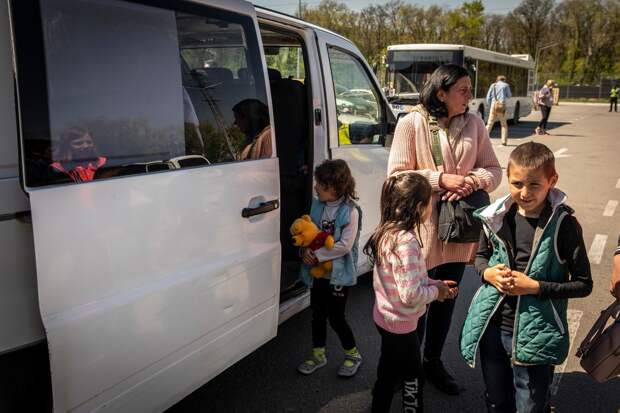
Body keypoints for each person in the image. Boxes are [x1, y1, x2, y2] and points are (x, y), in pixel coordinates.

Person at [387, 63, 502, 395]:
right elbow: (395, 178)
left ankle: (432, 362)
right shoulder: (411, 123)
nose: (470, 96)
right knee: (415, 304)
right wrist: (439, 180)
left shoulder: (475, 122)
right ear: (441, 93)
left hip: (459, 232)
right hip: (419, 232)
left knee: (446, 299)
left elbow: (494, 169)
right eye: (463, 90)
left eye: (470, 89)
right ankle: (407, 366)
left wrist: (470, 181)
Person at [460, 141, 593, 413]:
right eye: (517, 183)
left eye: (534, 185)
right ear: (507, 179)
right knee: (497, 402)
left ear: (551, 181)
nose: (524, 192)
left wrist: (535, 287)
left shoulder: (564, 225)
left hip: (538, 331)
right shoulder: (495, 216)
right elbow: (479, 258)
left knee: (530, 404)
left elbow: (584, 284)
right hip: (493, 328)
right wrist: (488, 273)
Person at [364, 172, 458, 413]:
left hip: (385, 318)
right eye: (431, 202)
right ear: (419, 207)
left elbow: (403, 277)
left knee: (386, 372)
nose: (432, 207)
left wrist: (433, 283)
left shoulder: (387, 232)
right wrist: (436, 294)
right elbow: (411, 294)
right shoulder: (407, 241)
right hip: (402, 325)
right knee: (414, 379)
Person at [297, 159, 363, 378]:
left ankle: (353, 355)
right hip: (319, 274)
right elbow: (308, 233)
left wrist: (316, 256)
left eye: (320, 184)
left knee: (336, 317)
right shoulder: (318, 205)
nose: (315, 187)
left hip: (338, 275)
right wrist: (304, 251)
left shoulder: (350, 211)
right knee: (317, 314)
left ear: (334, 187)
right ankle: (318, 355)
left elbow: (345, 246)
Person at [486, 75, 512, 145]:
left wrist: (490, 105)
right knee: (503, 124)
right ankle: (503, 141)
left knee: (489, 123)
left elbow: (488, 97)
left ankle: (483, 138)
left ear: (497, 79)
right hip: (501, 106)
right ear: (504, 80)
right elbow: (509, 95)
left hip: (493, 105)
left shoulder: (493, 85)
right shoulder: (506, 85)